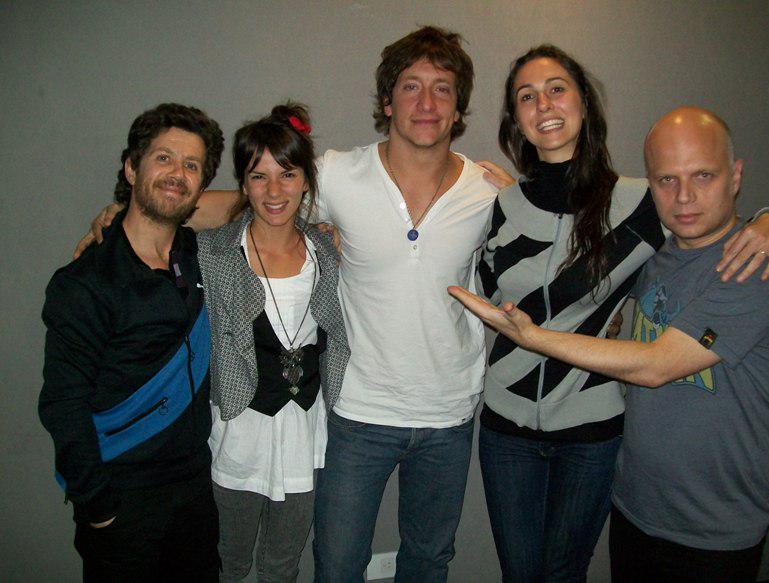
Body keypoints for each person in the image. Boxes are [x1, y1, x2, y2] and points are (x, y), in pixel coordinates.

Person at [73, 27, 497, 581]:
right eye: (411, 86)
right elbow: (257, 199)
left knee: (430, 558)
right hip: (359, 411)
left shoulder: (487, 190)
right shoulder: (340, 173)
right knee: (335, 563)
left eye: (442, 88)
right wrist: (129, 212)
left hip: (449, 412)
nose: (426, 102)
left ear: (459, 106)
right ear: (387, 100)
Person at [469, 46, 769, 582]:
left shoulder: (641, 203)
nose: (544, 104)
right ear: (515, 118)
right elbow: (492, 288)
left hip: (593, 431)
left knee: (565, 573)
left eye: (557, 88)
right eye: (527, 96)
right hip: (509, 426)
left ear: (584, 103)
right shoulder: (503, 205)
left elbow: (715, 224)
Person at [39, 103, 224, 581]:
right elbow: (62, 405)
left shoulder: (197, 254)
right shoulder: (86, 282)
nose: (177, 174)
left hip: (195, 491)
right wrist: (98, 508)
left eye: (191, 166)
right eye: (163, 158)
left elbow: (265, 200)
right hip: (123, 500)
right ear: (131, 168)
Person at [199, 103, 349, 582]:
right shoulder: (214, 252)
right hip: (239, 431)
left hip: (304, 430)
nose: (274, 190)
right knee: (228, 561)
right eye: (258, 177)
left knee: (283, 565)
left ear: (306, 180)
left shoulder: (327, 251)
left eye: (287, 174)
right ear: (243, 185)